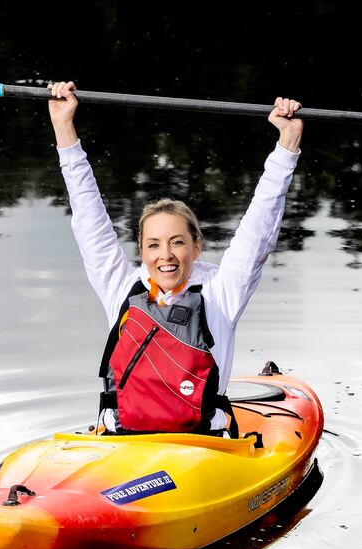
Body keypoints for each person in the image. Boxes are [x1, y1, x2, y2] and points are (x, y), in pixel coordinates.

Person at [47, 80, 303, 435]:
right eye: (153, 244)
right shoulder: (121, 287)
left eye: (177, 242)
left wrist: (286, 146)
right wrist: (64, 128)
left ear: (196, 246)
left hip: (201, 448)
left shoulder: (220, 293)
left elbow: (259, 228)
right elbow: (89, 218)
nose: (165, 256)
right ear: (142, 250)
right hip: (119, 443)